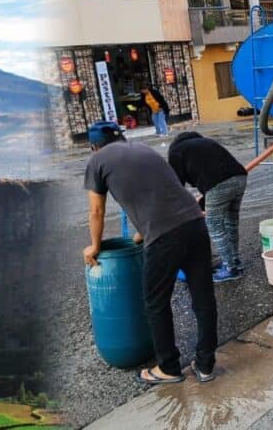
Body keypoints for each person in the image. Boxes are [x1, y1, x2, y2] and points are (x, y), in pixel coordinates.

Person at [82, 121, 218, 385]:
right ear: (121, 137)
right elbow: (164, 193)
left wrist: (94, 247)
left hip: (165, 236)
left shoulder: (97, 161)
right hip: (194, 223)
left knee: (155, 302)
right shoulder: (143, 149)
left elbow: (96, 211)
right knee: (203, 297)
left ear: (93, 146)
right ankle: (206, 364)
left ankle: (168, 367)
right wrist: (141, 233)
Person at [167, 131, 248, 283]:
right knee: (231, 223)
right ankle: (235, 261)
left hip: (218, 185)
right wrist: (203, 202)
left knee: (214, 225)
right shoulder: (206, 143)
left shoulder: (176, 151)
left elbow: (177, 185)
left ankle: (230, 269)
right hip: (240, 178)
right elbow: (213, 172)